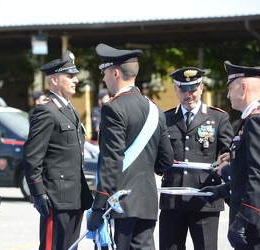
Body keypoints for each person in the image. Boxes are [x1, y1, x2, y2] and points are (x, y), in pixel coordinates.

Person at [86, 43, 174, 249]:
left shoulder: (112, 109)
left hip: (120, 203)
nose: (103, 78)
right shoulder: (155, 109)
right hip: (147, 200)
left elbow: (111, 160)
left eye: (105, 72)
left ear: (115, 73)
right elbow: (166, 161)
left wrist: (98, 206)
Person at [23, 50, 93, 250]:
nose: (76, 80)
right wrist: (38, 193)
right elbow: (32, 157)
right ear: (54, 80)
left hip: (75, 195)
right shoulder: (46, 111)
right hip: (56, 197)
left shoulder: (69, 109)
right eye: (70, 76)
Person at [158, 67, 233, 250]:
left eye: (193, 89)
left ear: (202, 88)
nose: (188, 95)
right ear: (175, 90)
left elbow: (229, 155)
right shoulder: (165, 118)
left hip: (205, 199)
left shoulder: (218, 118)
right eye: (183, 90)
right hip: (172, 200)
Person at [201, 61, 260, 249]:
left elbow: (259, 176)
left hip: (256, 225)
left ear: (243, 87)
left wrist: (244, 220)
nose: (228, 95)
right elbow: (246, 174)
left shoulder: (255, 121)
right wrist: (220, 191)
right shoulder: (253, 118)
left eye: (230, 88)